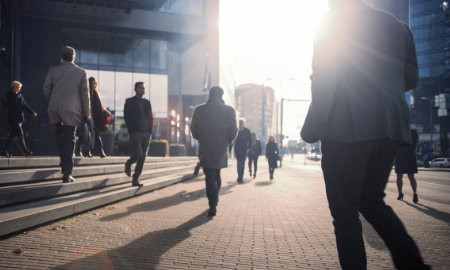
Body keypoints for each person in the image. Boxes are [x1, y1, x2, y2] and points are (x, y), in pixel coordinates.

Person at [300, 1, 430, 269]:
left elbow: (324, 80)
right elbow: (411, 79)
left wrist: (316, 127)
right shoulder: (398, 27)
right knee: (371, 201)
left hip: (346, 129)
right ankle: (413, 265)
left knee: (345, 213)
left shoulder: (330, 24)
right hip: (389, 128)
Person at [43, 46, 90, 183]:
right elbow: (84, 95)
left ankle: (63, 159)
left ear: (62, 57)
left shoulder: (53, 70)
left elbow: (46, 88)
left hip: (54, 108)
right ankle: (67, 173)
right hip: (71, 110)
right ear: (73, 57)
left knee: (58, 134)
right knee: (70, 139)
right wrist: (87, 114)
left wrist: (51, 100)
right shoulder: (81, 72)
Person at [190, 86, 237, 216]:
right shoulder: (229, 110)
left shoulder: (199, 110)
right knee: (216, 173)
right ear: (221, 96)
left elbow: (193, 129)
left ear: (210, 95)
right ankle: (214, 200)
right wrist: (226, 142)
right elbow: (234, 130)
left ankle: (212, 202)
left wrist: (201, 138)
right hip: (221, 146)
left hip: (205, 145)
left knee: (209, 175)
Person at [124, 82, 153, 187]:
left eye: (144, 88)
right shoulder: (129, 101)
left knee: (142, 158)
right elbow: (126, 116)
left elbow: (150, 117)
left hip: (146, 133)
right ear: (135, 89)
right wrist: (131, 130)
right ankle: (129, 163)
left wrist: (150, 131)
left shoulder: (147, 102)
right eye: (140, 88)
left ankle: (135, 178)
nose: (142, 90)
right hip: (135, 132)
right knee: (138, 154)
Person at [0, 81, 37, 157]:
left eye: (20, 88)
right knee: (21, 134)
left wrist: (32, 111)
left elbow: (24, 105)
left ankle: (3, 150)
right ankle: (26, 151)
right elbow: (5, 104)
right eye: (18, 87)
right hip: (13, 118)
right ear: (14, 87)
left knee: (12, 136)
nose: (19, 89)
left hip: (19, 118)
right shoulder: (8, 95)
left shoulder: (20, 95)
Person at [84, 77, 113, 158]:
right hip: (88, 117)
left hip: (95, 119)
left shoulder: (95, 93)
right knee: (88, 135)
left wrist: (106, 113)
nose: (94, 85)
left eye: (95, 84)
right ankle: (88, 151)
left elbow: (99, 107)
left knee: (95, 135)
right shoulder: (88, 93)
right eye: (92, 83)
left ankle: (98, 151)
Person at [395, 129, 420, 203]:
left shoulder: (412, 132)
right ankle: (400, 193)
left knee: (410, 176)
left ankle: (415, 193)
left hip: (409, 155)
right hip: (400, 155)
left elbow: (415, 142)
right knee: (399, 176)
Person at [234, 119, 252, 183]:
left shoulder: (247, 131)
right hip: (237, 150)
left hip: (244, 150)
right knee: (239, 164)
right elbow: (233, 139)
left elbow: (250, 140)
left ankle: (240, 178)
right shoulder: (236, 130)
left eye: (242, 122)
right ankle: (239, 177)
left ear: (244, 123)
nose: (241, 123)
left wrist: (249, 147)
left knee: (242, 164)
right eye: (240, 122)